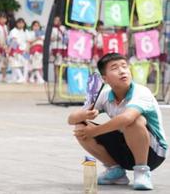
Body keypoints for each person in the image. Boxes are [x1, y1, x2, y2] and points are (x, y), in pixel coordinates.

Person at [68, 53, 166, 190]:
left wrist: (94, 131)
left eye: (124, 66)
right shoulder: (104, 95)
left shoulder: (141, 92)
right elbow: (71, 119)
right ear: (105, 78)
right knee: (80, 127)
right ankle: (116, 172)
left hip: (153, 153)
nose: (122, 71)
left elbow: (127, 118)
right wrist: (85, 114)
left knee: (134, 121)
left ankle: (142, 172)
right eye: (114, 68)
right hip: (125, 146)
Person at [7, 18, 28, 84]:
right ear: (16, 24)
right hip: (16, 50)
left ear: (24, 24)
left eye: (22, 23)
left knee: (25, 64)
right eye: (19, 23)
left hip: (24, 50)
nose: (21, 24)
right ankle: (15, 78)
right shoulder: (13, 31)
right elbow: (13, 41)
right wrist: (9, 49)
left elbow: (28, 41)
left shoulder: (26, 31)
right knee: (14, 64)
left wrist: (27, 49)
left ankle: (23, 78)